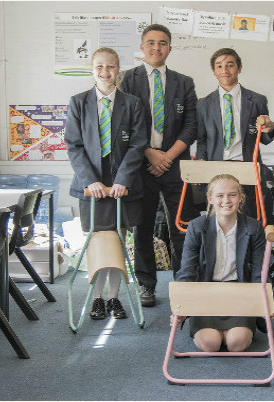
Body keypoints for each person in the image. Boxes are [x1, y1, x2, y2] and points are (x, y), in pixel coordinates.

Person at [65, 47, 148, 320]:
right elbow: (74, 146)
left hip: (122, 187)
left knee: (118, 242)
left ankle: (114, 297)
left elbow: (137, 145)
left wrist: (122, 180)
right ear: (92, 70)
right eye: (99, 66)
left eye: (110, 66)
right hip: (92, 187)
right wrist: (91, 181)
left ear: (118, 70)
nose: (105, 72)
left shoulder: (132, 103)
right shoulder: (78, 102)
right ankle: (97, 299)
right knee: (97, 243)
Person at [122, 24, 198, 307]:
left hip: (176, 165)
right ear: (142, 47)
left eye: (163, 43)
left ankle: (184, 282)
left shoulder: (184, 82)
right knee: (142, 228)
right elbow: (124, 124)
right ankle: (146, 285)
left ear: (170, 48)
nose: (157, 48)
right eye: (151, 43)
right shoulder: (127, 80)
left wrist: (166, 157)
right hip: (140, 165)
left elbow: (191, 126)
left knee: (182, 226)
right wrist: (149, 153)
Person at [172, 174, 266, 352]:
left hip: (239, 293)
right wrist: (182, 303)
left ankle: (232, 331)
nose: (226, 200)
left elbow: (259, 271)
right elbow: (187, 270)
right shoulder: (196, 226)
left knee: (237, 343)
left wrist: (263, 302)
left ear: (240, 198)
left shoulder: (253, 227)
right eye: (220, 195)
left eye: (232, 195)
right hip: (206, 293)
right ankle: (216, 332)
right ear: (210, 198)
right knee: (211, 344)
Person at [196, 47, 274, 222]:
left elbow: (263, 138)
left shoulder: (257, 100)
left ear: (239, 68)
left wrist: (269, 129)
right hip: (216, 170)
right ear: (213, 71)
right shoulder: (203, 104)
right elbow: (202, 140)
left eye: (230, 65)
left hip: (246, 168)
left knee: (249, 219)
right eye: (219, 66)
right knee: (220, 220)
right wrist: (200, 160)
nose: (224, 70)